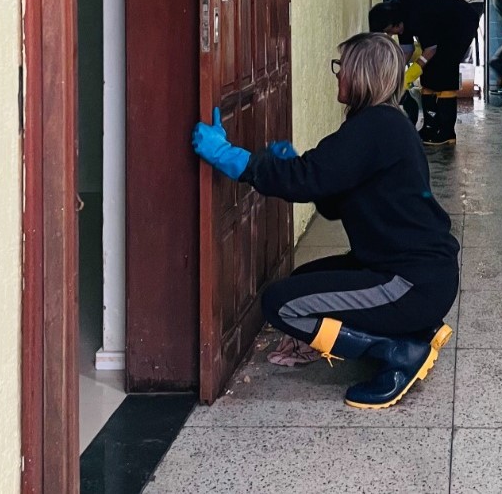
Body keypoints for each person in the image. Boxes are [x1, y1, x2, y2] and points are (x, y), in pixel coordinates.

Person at [190, 33, 459, 409]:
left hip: (410, 281)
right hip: (418, 274)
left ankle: (399, 351)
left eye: (341, 69)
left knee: (282, 305)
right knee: (300, 284)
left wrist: (234, 159)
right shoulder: (384, 123)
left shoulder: (374, 128)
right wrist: (292, 167)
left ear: (359, 75)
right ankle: (413, 327)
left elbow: (306, 180)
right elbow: (332, 199)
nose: (338, 77)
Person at [369, 0, 480, 146]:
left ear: (396, 23)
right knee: (428, 74)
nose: (391, 35)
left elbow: (430, 50)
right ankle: (430, 127)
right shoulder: (399, 16)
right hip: (441, 26)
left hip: (461, 22)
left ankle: (446, 133)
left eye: (390, 31)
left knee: (445, 69)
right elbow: (406, 50)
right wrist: (396, 74)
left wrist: (409, 76)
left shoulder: (417, 16)